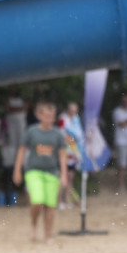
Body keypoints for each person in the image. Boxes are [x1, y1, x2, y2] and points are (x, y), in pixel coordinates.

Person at [13, 100, 67, 242]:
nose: (50, 119)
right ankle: (33, 224)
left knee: (50, 205)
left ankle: (48, 235)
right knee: (37, 201)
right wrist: (17, 170)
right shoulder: (31, 131)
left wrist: (64, 175)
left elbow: (62, 155)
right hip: (34, 171)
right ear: (39, 116)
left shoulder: (57, 134)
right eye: (47, 116)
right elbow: (21, 151)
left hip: (51, 172)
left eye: (52, 116)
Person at [57, 101, 82, 209]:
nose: (73, 111)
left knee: (71, 176)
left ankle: (67, 201)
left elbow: (79, 134)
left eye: (75, 109)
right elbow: (60, 132)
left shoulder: (76, 119)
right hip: (64, 150)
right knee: (63, 176)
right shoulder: (62, 118)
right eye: (71, 109)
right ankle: (59, 201)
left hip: (73, 150)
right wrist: (69, 140)